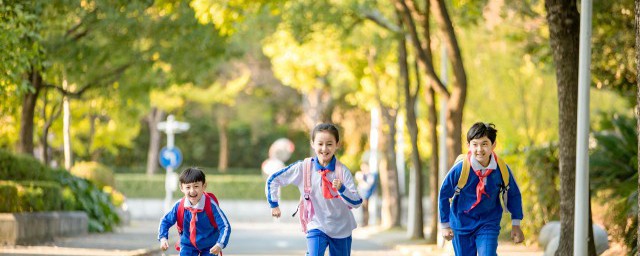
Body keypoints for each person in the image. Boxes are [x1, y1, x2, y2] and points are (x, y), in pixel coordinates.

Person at [266, 123, 363, 256]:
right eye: (320, 144)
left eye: (329, 144)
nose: (324, 148)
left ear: (337, 144)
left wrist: (342, 189)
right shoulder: (304, 168)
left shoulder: (342, 172)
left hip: (341, 227)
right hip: (316, 225)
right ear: (313, 144)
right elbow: (273, 179)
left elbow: (356, 202)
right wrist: (274, 204)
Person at [438, 122, 524, 256]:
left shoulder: (501, 169)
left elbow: (513, 194)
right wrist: (445, 225)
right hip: (461, 223)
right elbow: (443, 194)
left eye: (484, 144)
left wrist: (516, 223)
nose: (479, 149)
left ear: (493, 145)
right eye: (475, 144)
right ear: (468, 146)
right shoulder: (460, 169)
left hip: (488, 222)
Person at [158, 167, 231, 256]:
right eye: (188, 187)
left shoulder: (211, 206)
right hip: (187, 245)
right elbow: (165, 221)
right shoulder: (179, 206)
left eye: (196, 186)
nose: (192, 191)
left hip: (210, 245)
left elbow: (225, 226)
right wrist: (163, 238)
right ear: (181, 188)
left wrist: (220, 244)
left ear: (204, 186)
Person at [354, 160, 377, 227]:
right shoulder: (362, 175)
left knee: (365, 208)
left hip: (366, 195)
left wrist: (361, 181)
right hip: (362, 194)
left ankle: (365, 222)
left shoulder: (370, 175)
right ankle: (364, 222)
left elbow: (368, 186)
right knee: (363, 209)